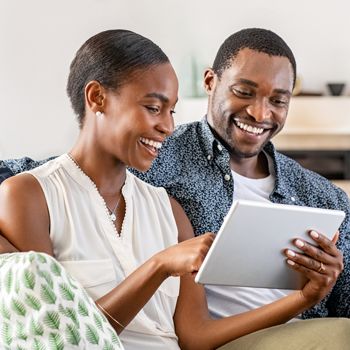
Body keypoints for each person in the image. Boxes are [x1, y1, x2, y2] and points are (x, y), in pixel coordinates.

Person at [0, 28, 349, 350]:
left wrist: (305, 297)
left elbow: (195, 336)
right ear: (97, 98)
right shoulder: (30, 196)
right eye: (154, 108)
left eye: (172, 110)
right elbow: (58, 337)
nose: (167, 126)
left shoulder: (169, 210)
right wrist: (159, 266)